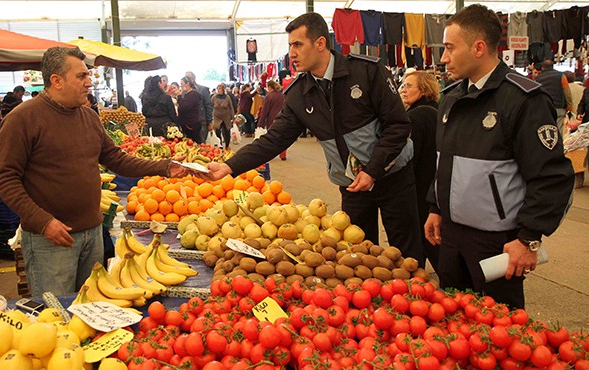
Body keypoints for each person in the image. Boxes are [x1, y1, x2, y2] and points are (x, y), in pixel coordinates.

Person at [202, 12, 424, 266]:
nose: (291, 53)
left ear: (320, 43)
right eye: (290, 46)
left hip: (393, 175)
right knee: (360, 258)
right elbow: (274, 139)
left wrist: (372, 170)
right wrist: (230, 166)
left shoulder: (366, 72)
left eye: (298, 45)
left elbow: (398, 126)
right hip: (352, 186)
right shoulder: (298, 94)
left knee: (407, 254)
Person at [0, 47, 188, 296]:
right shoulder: (22, 119)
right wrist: (43, 222)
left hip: (92, 234)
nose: (89, 82)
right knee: (57, 315)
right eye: (82, 76)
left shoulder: (89, 116)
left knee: (90, 309)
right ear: (57, 81)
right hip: (51, 240)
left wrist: (164, 166)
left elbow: (116, 159)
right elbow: (5, 179)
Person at [423, 4, 574, 309]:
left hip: (497, 243)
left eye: (450, 48)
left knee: (499, 328)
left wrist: (529, 239)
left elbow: (551, 177)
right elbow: (445, 163)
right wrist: (435, 206)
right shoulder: (451, 99)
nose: (443, 58)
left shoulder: (523, 100)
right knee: (452, 320)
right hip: (451, 239)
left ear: (478, 47)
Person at [400, 71, 440, 271]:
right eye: (403, 85)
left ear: (423, 89)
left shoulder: (414, 116)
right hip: (436, 182)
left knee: (421, 236)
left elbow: (408, 157)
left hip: (419, 185)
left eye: (409, 86)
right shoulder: (438, 110)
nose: (403, 90)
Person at [536, 59, 574, 133]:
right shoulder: (561, 76)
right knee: (558, 130)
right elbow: (567, 91)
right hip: (559, 107)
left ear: (542, 68)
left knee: (546, 130)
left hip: (545, 108)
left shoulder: (538, 78)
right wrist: (569, 106)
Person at [258, 80, 287, 160]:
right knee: (282, 137)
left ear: (270, 87)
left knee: (272, 138)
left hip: (272, 119)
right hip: (282, 118)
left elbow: (265, 111)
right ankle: (283, 155)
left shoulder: (269, 96)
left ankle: (271, 154)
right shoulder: (282, 95)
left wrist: (260, 123)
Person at [184, 71, 213, 143]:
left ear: (193, 78)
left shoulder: (203, 90)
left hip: (201, 121)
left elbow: (208, 105)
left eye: (188, 78)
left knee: (201, 143)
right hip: (188, 123)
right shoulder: (184, 92)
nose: (186, 80)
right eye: (185, 78)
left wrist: (209, 121)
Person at [177, 76, 203, 143]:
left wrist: (179, 96)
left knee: (194, 141)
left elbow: (184, 107)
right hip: (187, 123)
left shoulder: (193, 95)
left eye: (182, 83)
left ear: (187, 83)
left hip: (191, 124)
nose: (181, 86)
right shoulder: (187, 95)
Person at [211, 83, 234, 149]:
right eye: (218, 89)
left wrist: (233, 117)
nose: (219, 90)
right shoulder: (214, 97)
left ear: (223, 90)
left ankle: (227, 145)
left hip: (226, 117)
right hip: (217, 117)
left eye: (220, 89)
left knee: (227, 132)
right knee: (217, 131)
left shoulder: (227, 97)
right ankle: (219, 144)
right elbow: (210, 106)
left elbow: (231, 107)